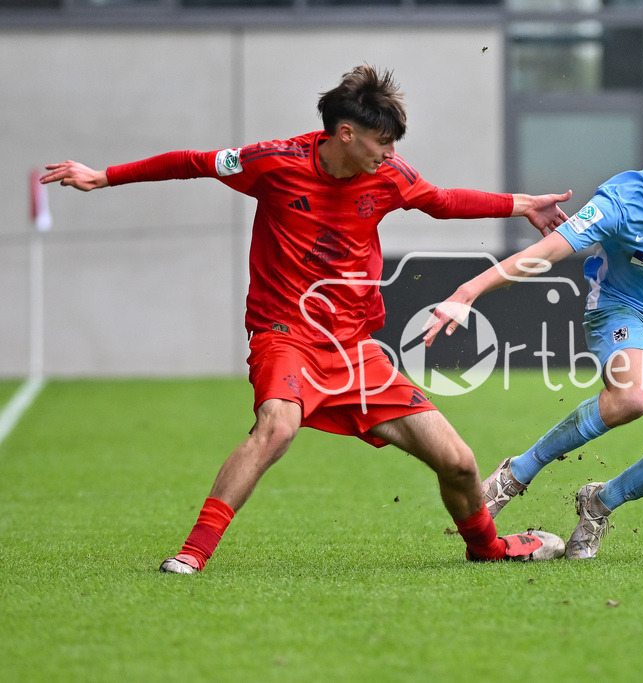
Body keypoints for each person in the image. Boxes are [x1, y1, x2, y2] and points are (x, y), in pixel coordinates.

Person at [41, 64, 571, 572]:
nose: (391, 154)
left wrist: (523, 204)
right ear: (346, 134)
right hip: (284, 334)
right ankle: (192, 553)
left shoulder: (388, 175)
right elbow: (192, 161)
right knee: (278, 427)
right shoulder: (271, 161)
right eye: (382, 142)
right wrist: (104, 177)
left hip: (353, 348)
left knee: (458, 462)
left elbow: (442, 200)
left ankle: (487, 549)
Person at [424, 106, 643, 559]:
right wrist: (470, 289)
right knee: (632, 397)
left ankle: (600, 503)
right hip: (621, 311)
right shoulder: (620, 201)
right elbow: (547, 251)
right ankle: (517, 473)